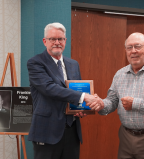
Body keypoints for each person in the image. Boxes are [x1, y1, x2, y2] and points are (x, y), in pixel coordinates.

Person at [90, 32, 144, 159]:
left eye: (138, 46)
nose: (133, 51)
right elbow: (112, 101)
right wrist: (101, 104)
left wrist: (135, 104)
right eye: (129, 47)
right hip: (126, 136)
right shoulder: (120, 74)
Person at [27, 22, 101, 159]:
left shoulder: (73, 64)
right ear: (45, 41)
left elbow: (75, 92)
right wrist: (84, 97)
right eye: (52, 39)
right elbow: (49, 88)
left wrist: (80, 108)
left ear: (65, 41)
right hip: (47, 131)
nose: (57, 42)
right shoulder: (35, 62)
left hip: (72, 131)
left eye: (60, 39)